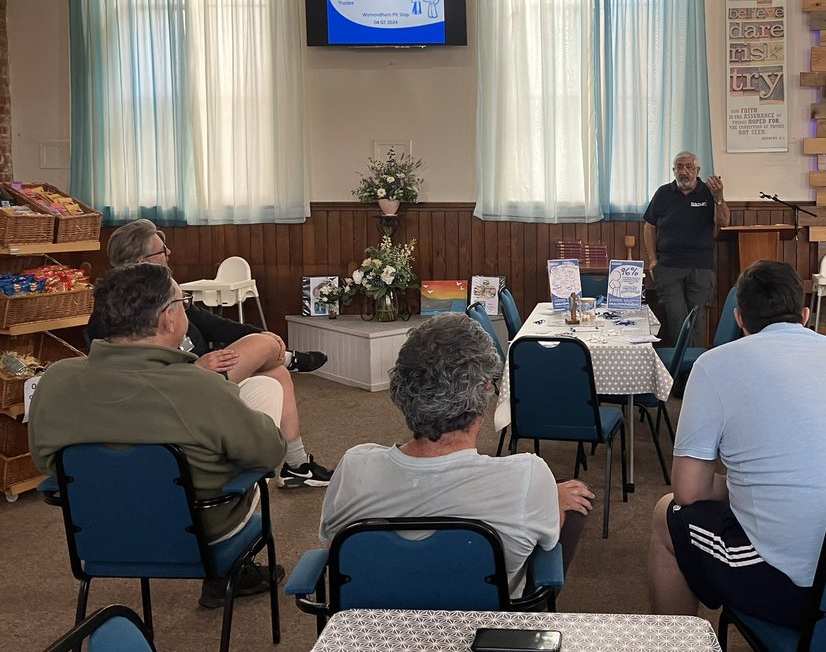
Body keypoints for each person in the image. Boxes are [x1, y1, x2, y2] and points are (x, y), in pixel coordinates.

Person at [648, 260, 826, 652]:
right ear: (806, 316)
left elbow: (688, 491)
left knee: (668, 516)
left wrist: (741, 485)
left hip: (806, 592)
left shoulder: (715, 365)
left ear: (740, 319)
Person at [28, 263, 287, 609]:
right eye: (184, 301)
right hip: (203, 528)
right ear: (168, 318)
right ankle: (225, 576)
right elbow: (268, 455)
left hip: (98, 532)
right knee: (264, 391)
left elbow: (46, 460)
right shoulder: (200, 387)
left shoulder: (56, 380)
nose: (186, 309)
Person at [319, 313, 595, 596]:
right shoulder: (527, 476)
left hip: (375, 630)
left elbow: (334, 548)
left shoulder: (354, 466)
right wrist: (554, 500)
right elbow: (549, 542)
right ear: (485, 390)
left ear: (401, 389)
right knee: (571, 503)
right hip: (484, 631)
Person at [90, 219, 333, 488]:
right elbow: (129, 376)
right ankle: (289, 357)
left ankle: (297, 466)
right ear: (140, 261)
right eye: (162, 250)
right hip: (187, 388)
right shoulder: (116, 314)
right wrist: (196, 369)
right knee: (266, 348)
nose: (169, 253)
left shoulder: (166, 292)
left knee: (277, 372)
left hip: (202, 375)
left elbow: (211, 324)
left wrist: (260, 333)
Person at [643, 150, 730, 345]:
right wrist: (653, 260)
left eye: (689, 167)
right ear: (674, 171)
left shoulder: (708, 192)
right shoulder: (663, 193)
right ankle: (678, 372)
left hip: (701, 267)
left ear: (697, 170)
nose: (684, 171)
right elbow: (649, 227)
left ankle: (693, 368)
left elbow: (723, 222)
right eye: (680, 167)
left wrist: (719, 197)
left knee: (697, 319)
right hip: (668, 267)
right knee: (676, 318)